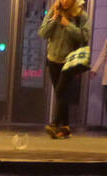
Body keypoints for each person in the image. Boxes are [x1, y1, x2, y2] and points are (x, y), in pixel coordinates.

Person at [39, 0, 91, 139]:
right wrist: (55, 18)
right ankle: (66, 126)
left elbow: (84, 36)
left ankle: (54, 123)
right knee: (61, 93)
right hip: (53, 59)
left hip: (70, 60)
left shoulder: (81, 15)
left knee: (61, 90)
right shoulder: (53, 11)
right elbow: (43, 33)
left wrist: (68, 24)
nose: (65, 2)